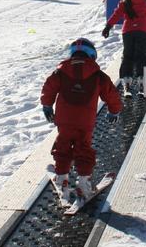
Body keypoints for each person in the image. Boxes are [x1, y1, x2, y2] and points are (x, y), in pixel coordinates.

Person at [41, 38, 122, 203]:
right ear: (92, 55)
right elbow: (111, 94)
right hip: (85, 122)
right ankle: (84, 183)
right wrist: (114, 111)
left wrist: (47, 105)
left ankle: (62, 178)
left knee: (62, 145)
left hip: (64, 119)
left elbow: (49, 87)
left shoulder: (61, 71)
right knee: (83, 149)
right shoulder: (98, 75)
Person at [102, 0, 146, 93]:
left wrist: (108, 26)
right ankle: (142, 81)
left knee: (127, 55)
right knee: (141, 55)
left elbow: (116, 14)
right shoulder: (143, 0)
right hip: (142, 31)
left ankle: (126, 81)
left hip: (128, 31)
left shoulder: (124, 1)